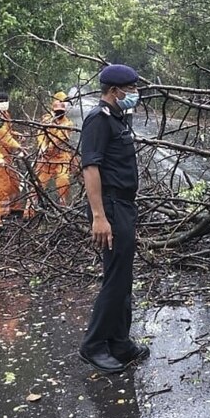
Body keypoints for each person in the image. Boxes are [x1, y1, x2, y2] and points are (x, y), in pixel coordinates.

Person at [78, 64, 148, 373]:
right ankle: (93, 345)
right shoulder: (98, 120)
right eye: (131, 89)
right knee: (115, 278)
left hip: (123, 206)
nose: (134, 94)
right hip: (111, 207)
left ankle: (120, 341)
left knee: (123, 277)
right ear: (114, 91)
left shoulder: (117, 118)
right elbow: (90, 168)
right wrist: (99, 217)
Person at [24, 98, 74, 218]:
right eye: (56, 111)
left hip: (62, 158)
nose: (59, 114)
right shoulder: (47, 119)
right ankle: (29, 211)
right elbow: (41, 134)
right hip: (45, 160)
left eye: (61, 111)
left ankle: (63, 209)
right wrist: (42, 146)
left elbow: (58, 139)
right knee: (37, 183)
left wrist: (48, 147)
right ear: (52, 110)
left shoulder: (68, 124)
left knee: (63, 181)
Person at [0, 92, 24, 216]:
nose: (3, 103)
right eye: (0, 100)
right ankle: (3, 212)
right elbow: (3, 136)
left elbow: (8, 132)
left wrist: (17, 135)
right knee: (3, 182)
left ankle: (15, 207)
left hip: (8, 154)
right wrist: (18, 146)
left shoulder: (6, 114)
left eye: (5, 100)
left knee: (14, 180)